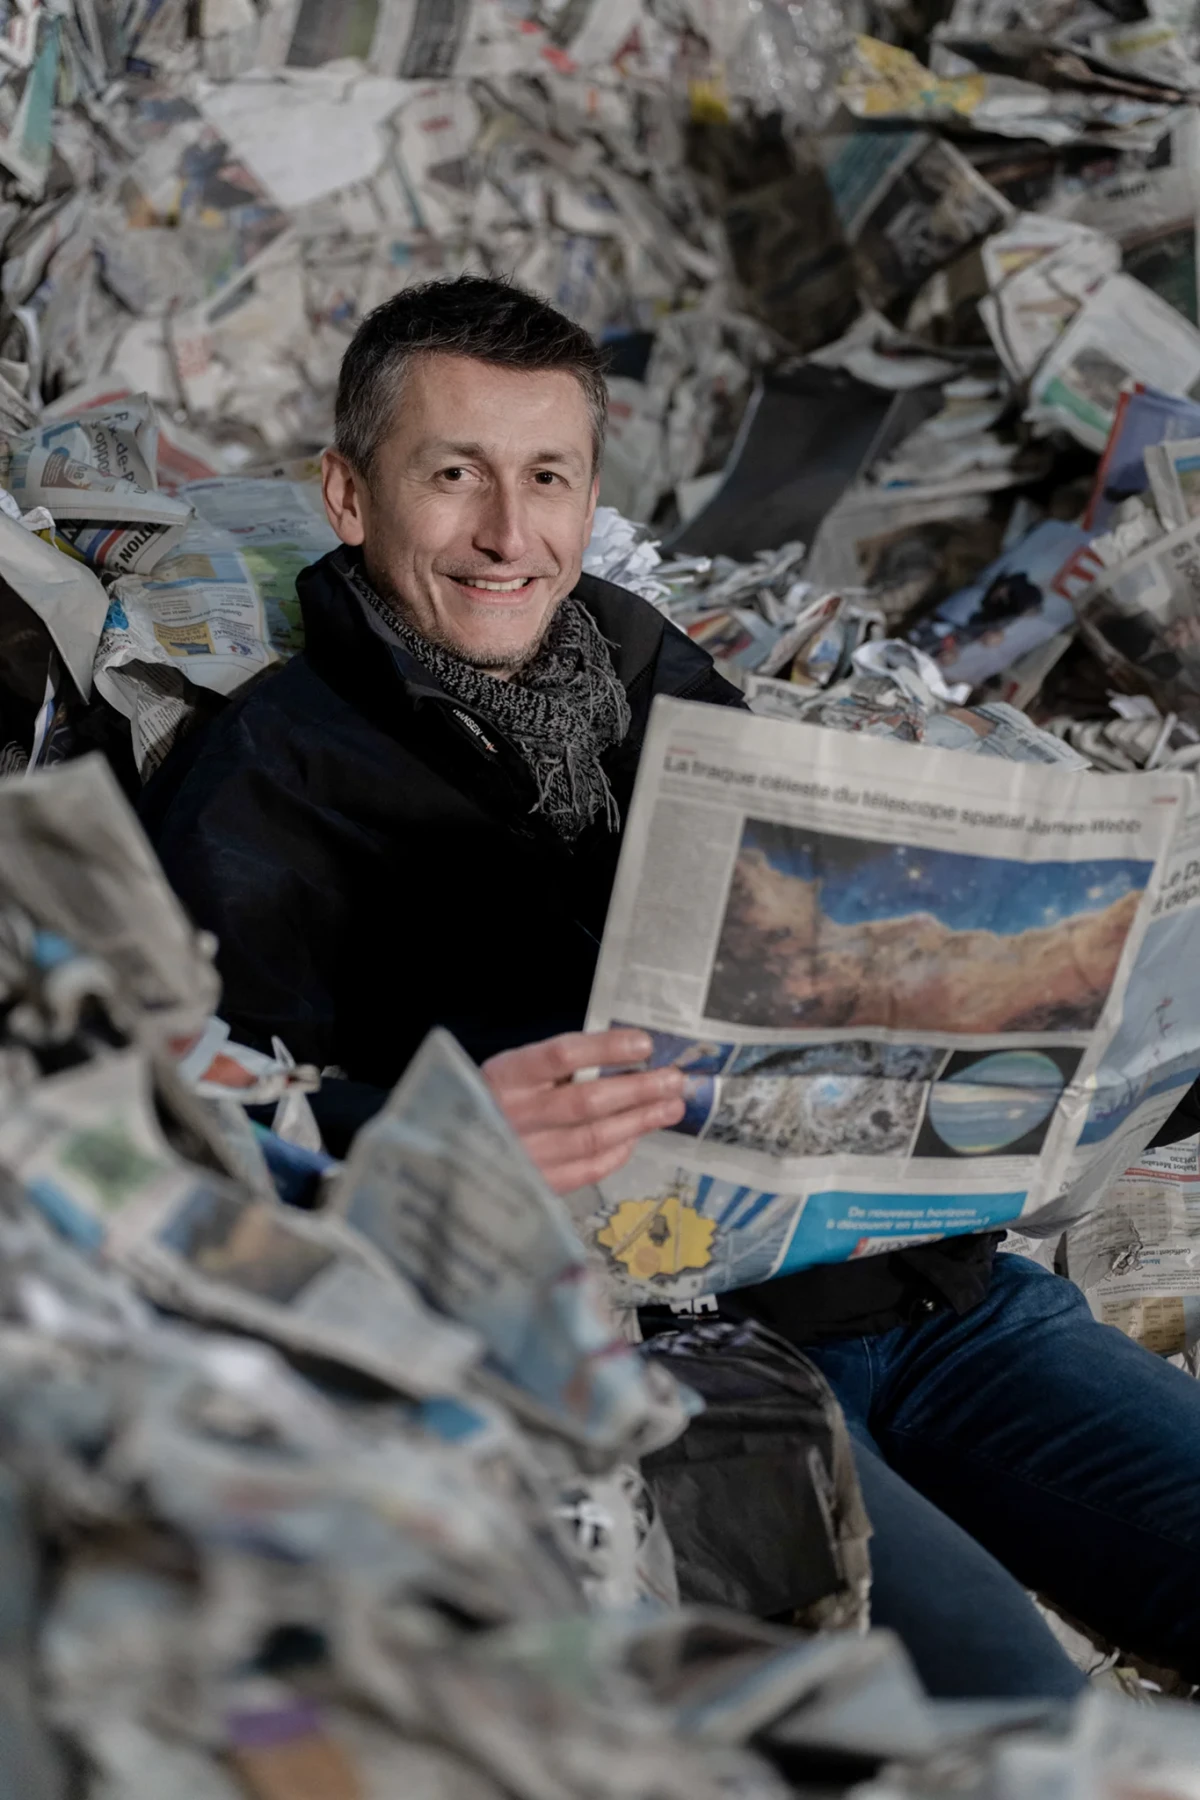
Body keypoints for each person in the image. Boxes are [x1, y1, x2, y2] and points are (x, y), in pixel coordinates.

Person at [143, 275, 1200, 1702]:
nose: (510, 535)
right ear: (348, 494)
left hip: (934, 1299)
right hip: (675, 1364)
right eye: (453, 477)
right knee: (1012, 1714)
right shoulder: (258, 784)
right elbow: (196, 1148)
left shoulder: (643, 658)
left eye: (548, 479)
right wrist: (431, 1129)